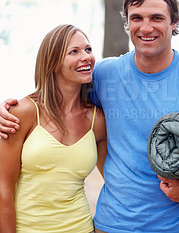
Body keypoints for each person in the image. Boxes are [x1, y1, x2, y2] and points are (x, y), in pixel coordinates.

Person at [0, 0, 179, 232]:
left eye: (157, 18)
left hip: (176, 227)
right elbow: (58, 94)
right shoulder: (105, 75)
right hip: (109, 226)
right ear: (127, 24)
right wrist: (9, 109)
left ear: (174, 23)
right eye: (137, 18)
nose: (146, 27)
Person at [0, 24, 107, 232]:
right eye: (74, 52)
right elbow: (3, 189)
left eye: (88, 49)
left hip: (81, 227)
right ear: (53, 63)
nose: (86, 57)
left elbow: (117, 180)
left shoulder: (98, 120)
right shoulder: (22, 113)